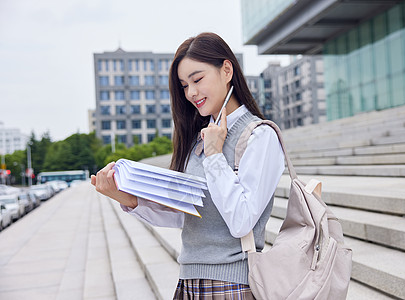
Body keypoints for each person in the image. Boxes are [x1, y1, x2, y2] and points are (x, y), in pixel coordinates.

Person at [91, 32, 285, 299]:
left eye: (197, 79)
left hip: (232, 285)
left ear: (226, 70)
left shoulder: (260, 136)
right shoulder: (199, 137)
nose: (191, 93)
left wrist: (215, 155)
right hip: (189, 281)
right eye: (184, 85)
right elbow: (188, 214)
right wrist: (127, 198)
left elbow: (242, 221)